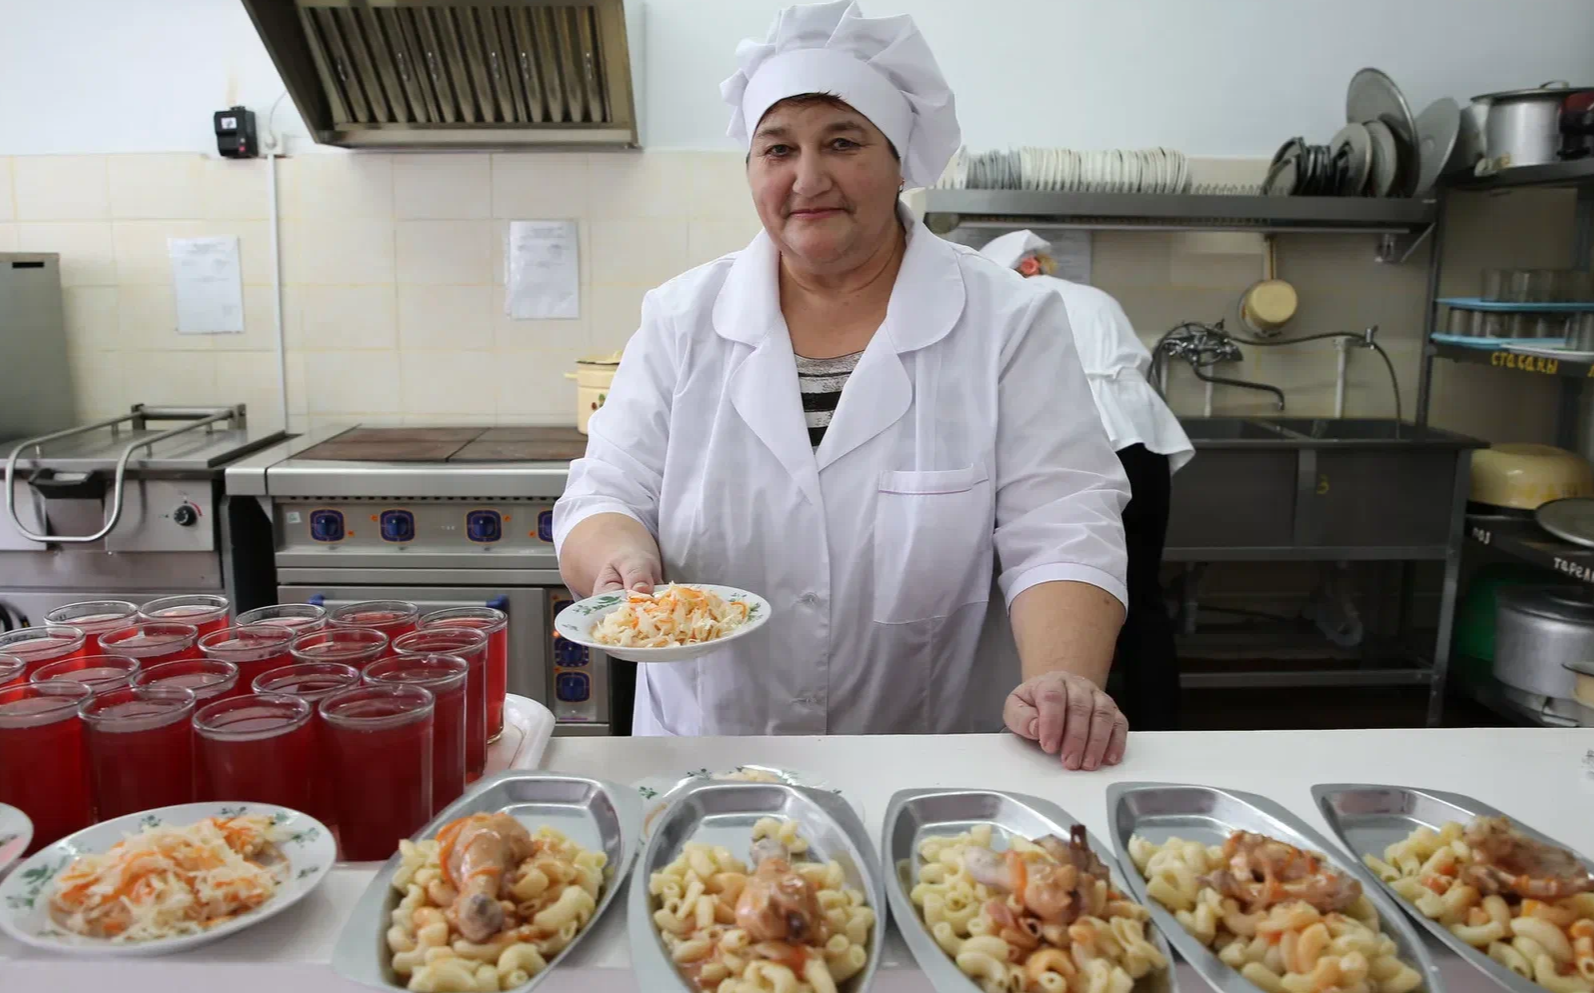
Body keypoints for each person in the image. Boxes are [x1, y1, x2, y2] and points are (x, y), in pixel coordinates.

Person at [554, 0, 1133, 771]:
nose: (807, 177)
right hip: (705, 758)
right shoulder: (682, 319)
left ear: (899, 160)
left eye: (842, 141)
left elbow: (1062, 522)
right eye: (777, 148)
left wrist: (1063, 677)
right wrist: (621, 560)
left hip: (929, 765)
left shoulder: (1008, 321)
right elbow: (604, 492)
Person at [978, 231, 1194, 730]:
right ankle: (1160, 725)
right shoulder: (1097, 298)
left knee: (1052, 591)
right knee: (1141, 595)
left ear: (1020, 269)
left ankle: (1063, 714)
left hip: (1074, 441)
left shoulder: (1016, 303)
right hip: (1143, 443)